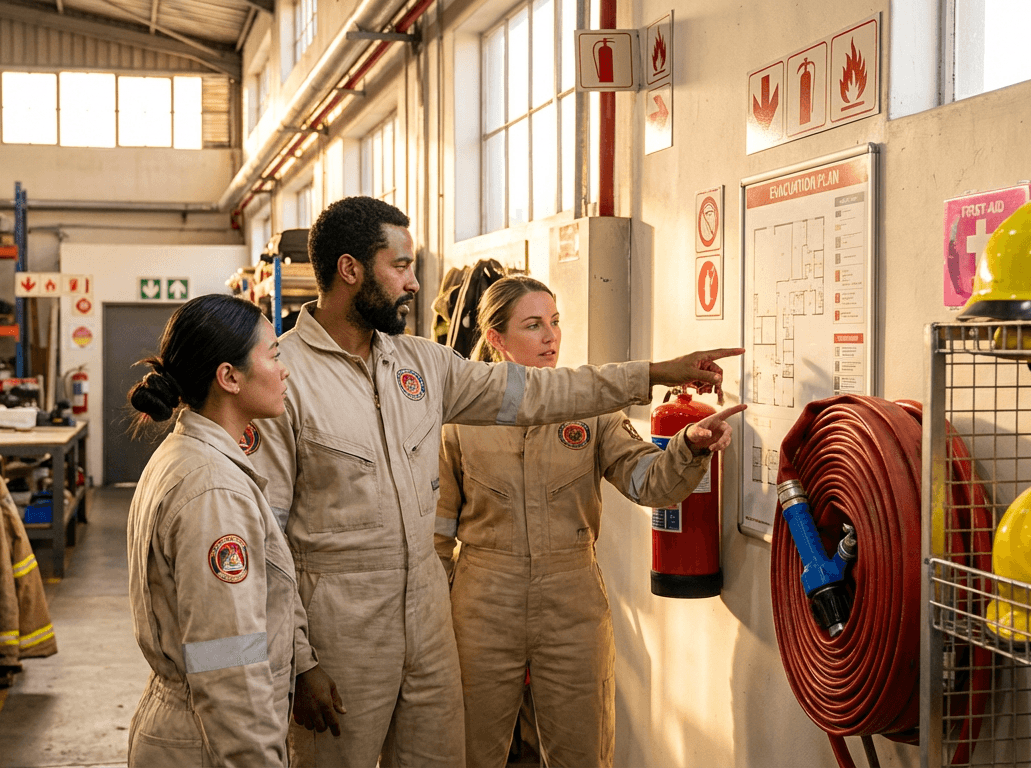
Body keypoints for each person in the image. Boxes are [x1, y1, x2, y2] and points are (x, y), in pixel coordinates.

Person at [249, 195, 742, 768]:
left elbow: (544, 398)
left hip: (481, 615)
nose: (413, 284)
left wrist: (660, 389)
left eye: (554, 322)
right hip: (389, 620)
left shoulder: (423, 366)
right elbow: (270, 539)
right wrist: (299, 659)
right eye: (401, 266)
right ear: (350, 270)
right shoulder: (285, 378)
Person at [435, 276, 745, 767]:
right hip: (481, 602)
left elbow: (648, 482)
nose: (551, 336)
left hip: (572, 597)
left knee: (583, 751)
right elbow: (436, 536)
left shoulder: (592, 410)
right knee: (467, 752)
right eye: (533, 325)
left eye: (555, 322)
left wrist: (688, 447)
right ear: (495, 339)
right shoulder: (457, 420)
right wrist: (429, 625)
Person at [124, 294, 343, 767]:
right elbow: (227, 663)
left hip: (191, 726)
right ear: (229, 377)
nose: (285, 372)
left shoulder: (194, 458)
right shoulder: (213, 491)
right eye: (274, 356)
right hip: (208, 738)